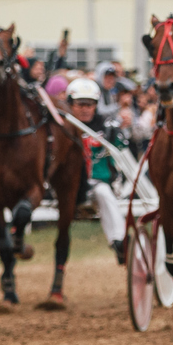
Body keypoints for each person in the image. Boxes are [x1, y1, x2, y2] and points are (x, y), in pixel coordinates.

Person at [67, 77, 129, 261]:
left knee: (103, 192)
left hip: (97, 183)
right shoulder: (61, 127)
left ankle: (119, 241)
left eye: (90, 104)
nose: (85, 109)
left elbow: (122, 152)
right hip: (67, 187)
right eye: (80, 104)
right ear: (71, 104)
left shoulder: (107, 126)